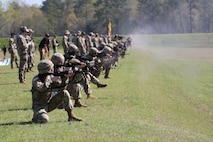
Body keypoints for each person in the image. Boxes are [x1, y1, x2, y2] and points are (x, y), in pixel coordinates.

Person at [31, 59, 82, 123]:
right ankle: (37, 116)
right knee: (44, 120)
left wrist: (65, 77)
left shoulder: (51, 76)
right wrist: (50, 80)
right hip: (39, 106)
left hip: (49, 102)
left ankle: (71, 116)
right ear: (48, 69)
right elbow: (41, 88)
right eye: (51, 67)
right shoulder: (36, 79)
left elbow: (61, 87)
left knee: (65, 93)